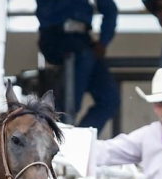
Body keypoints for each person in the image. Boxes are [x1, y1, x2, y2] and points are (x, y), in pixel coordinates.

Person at [36, 0, 120, 133]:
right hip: (54, 36)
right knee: (68, 104)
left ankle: (79, 139)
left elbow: (109, 8)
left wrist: (103, 41)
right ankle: (60, 127)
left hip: (82, 40)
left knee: (109, 99)